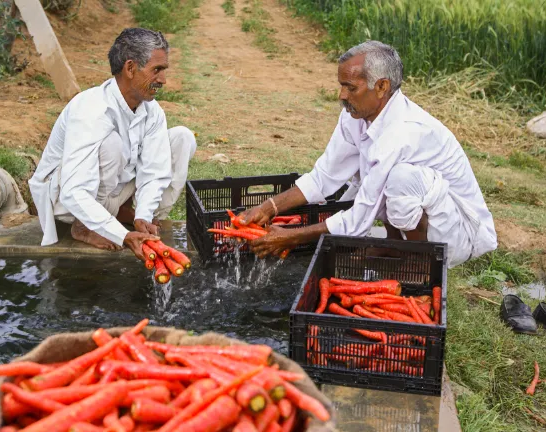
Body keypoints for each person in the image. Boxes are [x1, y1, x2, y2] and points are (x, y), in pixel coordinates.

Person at [239, 40, 497, 267]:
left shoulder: (402, 133)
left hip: (455, 232)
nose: (341, 95)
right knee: (379, 176)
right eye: (341, 86)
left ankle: (419, 261)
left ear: (382, 87)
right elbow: (323, 177)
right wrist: (268, 206)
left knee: (400, 179)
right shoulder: (356, 114)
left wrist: (293, 236)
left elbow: (360, 218)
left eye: (350, 87)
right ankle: (393, 244)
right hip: (421, 210)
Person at [29, 28, 197, 261]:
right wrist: (122, 236)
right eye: (156, 70)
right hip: (68, 199)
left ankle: (131, 215)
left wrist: (144, 214)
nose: (163, 80)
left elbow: (154, 171)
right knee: (111, 144)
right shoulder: (91, 109)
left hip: (114, 190)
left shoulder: (152, 110)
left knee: (182, 138)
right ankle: (85, 226)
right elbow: (74, 191)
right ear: (130, 68)